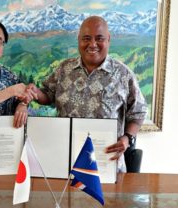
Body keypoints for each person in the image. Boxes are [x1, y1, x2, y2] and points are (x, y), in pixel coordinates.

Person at [25, 16, 148, 172]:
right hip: (65, 158)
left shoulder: (123, 74)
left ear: (108, 39)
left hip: (106, 162)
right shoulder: (64, 69)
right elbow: (48, 94)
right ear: (78, 40)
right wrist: (34, 93)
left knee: (106, 197)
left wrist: (127, 138)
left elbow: (138, 112)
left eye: (99, 38)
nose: (92, 44)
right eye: (86, 38)